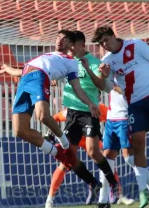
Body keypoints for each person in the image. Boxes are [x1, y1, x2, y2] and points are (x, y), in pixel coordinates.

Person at [1, 30, 102, 188]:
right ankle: (59, 153)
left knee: (43, 116)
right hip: (24, 81)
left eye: (65, 39)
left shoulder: (71, 61)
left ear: (70, 44)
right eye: (58, 37)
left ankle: (64, 143)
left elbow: (77, 87)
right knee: (19, 130)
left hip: (39, 78)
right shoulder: (47, 56)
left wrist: (90, 103)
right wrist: (8, 68)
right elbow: (21, 72)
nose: (60, 40)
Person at [92, 26, 149, 208]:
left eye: (106, 40)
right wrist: (105, 76)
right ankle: (142, 194)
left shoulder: (136, 44)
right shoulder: (106, 61)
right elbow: (107, 88)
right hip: (131, 106)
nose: (104, 45)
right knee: (131, 149)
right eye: (101, 43)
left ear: (113, 35)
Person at [42, 31, 122, 207]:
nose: (69, 48)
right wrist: (53, 79)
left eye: (72, 45)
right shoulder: (66, 61)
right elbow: (54, 73)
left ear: (81, 45)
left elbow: (101, 84)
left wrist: (94, 71)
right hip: (72, 113)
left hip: (89, 112)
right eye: (68, 44)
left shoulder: (94, 62)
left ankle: (113, 183)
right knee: (68, 156)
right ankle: (93, 183)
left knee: (93, 152)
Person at [98, 87, 149, 208]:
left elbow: (129, 89)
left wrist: (111, 85)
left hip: (125, 117)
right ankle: (103, 202)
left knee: (130, 158)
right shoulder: (108, 69)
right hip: (111, 118)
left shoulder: (127, 70)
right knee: (106, 159)